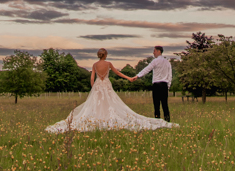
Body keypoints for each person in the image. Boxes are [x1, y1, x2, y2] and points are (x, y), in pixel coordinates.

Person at [45, 48, 179, 133]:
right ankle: (165, 119)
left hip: (98, 86)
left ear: (99, 55)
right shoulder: (108, 64)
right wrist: (129, 78)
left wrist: (94, 88)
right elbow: (119, 73)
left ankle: (98, 119)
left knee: (97, 104)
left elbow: (92, 79)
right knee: (110, 103)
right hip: (108, 85)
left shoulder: (94, 65)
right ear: (105, 55)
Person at [133, 45, 171, 122]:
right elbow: (170, 75)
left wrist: (138, 76)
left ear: (159, 51)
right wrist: (168, 86)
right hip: (164, 85)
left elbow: (147, 69)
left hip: (157, 85)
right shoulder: (167, 62)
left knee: (156, 105)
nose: (153, 53)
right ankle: (167, 121)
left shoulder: (155, 61)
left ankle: (157, 122)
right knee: (165, 105)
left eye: (154, 51)